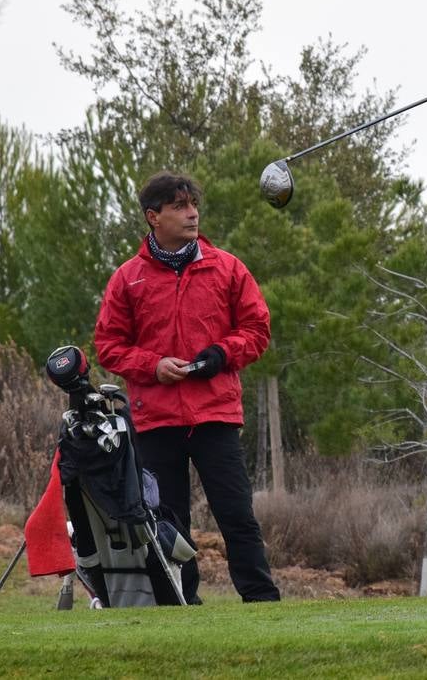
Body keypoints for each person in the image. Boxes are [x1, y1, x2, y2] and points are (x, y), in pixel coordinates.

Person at [94, 170, 280, 603]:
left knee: (237, 515)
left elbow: (257, 330)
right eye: (179, 206)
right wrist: (153, 366)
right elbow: (108, 345)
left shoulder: (229, 268)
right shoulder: (127, 279)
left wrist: (222, 353)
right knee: (168, 521)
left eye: (193, 204)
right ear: (153, 217)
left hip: (215, 414)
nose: (192, 213)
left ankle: (263, 602)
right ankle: (181, 604)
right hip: (156, 420)